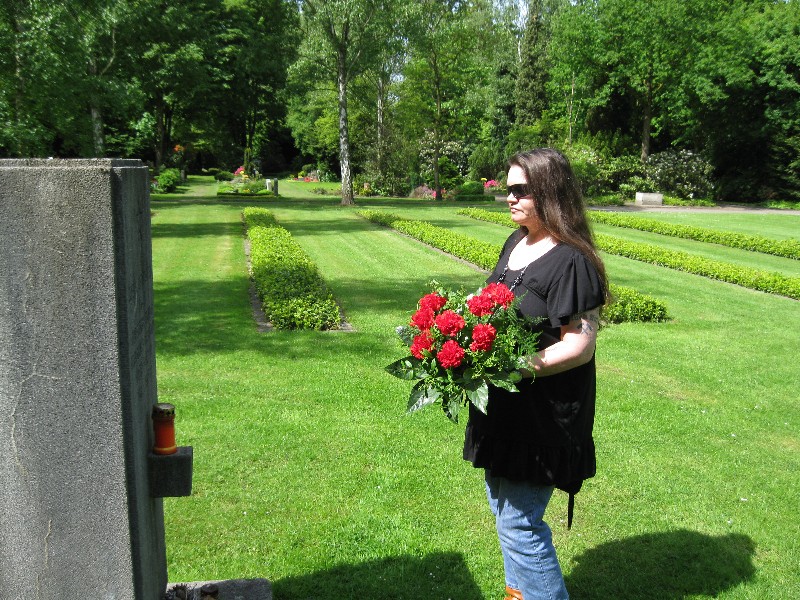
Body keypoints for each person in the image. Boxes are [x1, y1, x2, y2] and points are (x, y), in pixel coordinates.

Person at [463, 148, 609, 600]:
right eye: (506, 189)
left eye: (520, 190)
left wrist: (513, 368)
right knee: (503, 508)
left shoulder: (573, 261)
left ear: (550, 192)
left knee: (520, 523)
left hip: (543, 414)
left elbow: (580, 345)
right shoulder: (518, 243)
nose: (508, 198)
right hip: (506, 406)